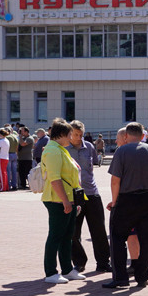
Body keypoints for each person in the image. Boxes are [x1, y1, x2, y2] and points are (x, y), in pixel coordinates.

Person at [104, 122, 148, 289]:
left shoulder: (121, 151)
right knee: (146, 240)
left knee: (117, 238)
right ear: (143, 135)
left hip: (125, 199)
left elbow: (115, 181)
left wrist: (114, 201)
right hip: (146, 198)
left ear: (126, 136)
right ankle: (142, 277)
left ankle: (120, 278)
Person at [40, 118, 86, 284]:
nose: (72, 138)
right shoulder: (53, 150)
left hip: (67, 198)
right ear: (61, 135)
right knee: (56, 236)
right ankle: (51, 272)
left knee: (67, 236)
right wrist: (65, 201)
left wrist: (71, 201)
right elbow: (55, 179)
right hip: (57, 199)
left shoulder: (59, 149)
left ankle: (67, 269)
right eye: (70, 135)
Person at [68, 120, 112, 273]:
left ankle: (103, 262)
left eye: (80, 135)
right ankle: (79, 262)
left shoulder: (89, 147)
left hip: (92, 193)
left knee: (98, 230)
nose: (78, 138)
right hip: (74, 195)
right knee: (74, 232)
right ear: (69, 134)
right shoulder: (64, 149)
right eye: (75, 134)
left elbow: (91, 167)